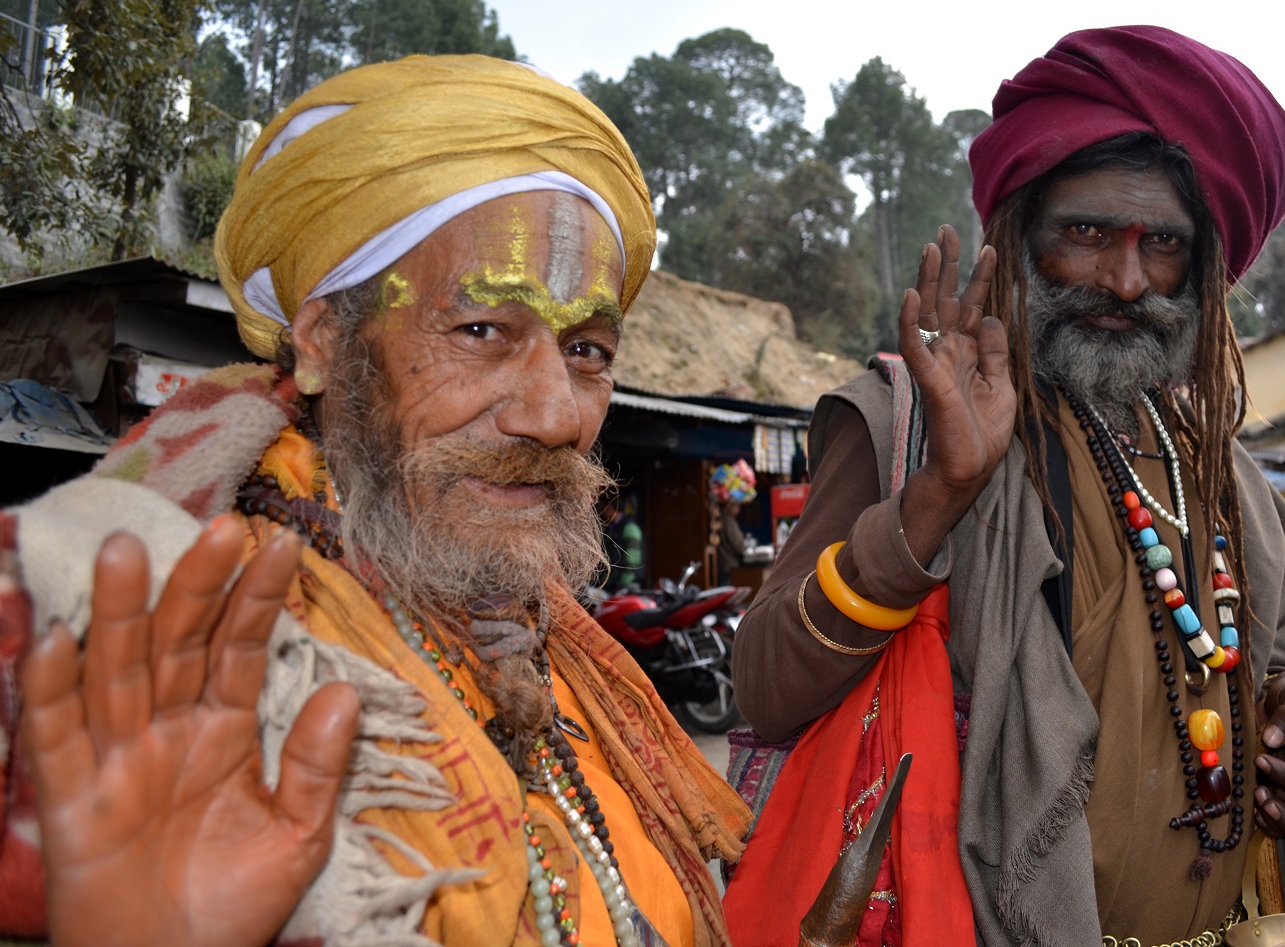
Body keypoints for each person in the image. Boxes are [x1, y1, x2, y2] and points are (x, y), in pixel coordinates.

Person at [1, 55, 749, 947]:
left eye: (587, 350)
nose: (555, 415)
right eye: (481, 330)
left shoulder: (555, 641)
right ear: (323, 342)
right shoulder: (183, 629)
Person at [728, 26, 1285, 947]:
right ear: (1019, 237)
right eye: (1086, 233)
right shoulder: (907, 424)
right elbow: (765, 688)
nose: (1125, 279)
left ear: (1204, 263)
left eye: (1162, 244)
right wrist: (937, 495)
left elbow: (1269, 642)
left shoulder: (1212, 457)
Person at [601, 495, 645, 591]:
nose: (602, 511)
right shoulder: (612, 529)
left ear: (610, 507)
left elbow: (632, 562)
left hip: (625, 588)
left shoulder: (630, 529)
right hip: (611, 587)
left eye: (603, 507)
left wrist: (622, 585)